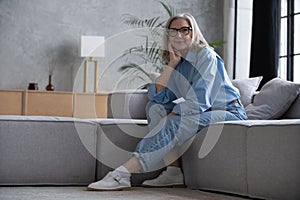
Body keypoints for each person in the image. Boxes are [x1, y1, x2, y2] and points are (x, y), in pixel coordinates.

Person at [87, 13, 247, 191]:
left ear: (193, 33)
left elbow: (200, 100)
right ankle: (173, 173)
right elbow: (158, 97)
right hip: (205, 110)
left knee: (172, 121)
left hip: (229, 111)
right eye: (173, 31)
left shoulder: (205, 56)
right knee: (155, 109)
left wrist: (173, 114)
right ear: (168, 35)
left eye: (184, 30)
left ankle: (122, 175)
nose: (179, 35)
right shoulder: (180, 62)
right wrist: (171, 64)